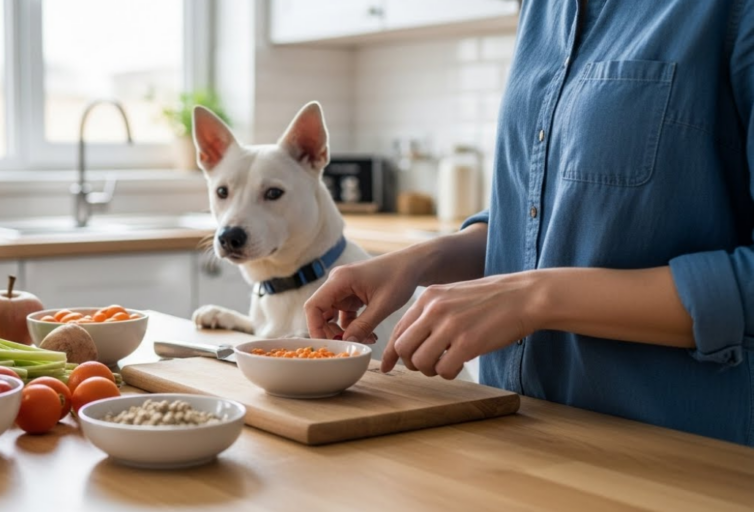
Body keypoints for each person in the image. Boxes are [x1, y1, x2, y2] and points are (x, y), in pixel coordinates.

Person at [305, 0, 754, 447]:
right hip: (513, 434)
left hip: (677, 457)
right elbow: (540, 218)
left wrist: (535, 298)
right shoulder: (544, 9)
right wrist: (423, 260)